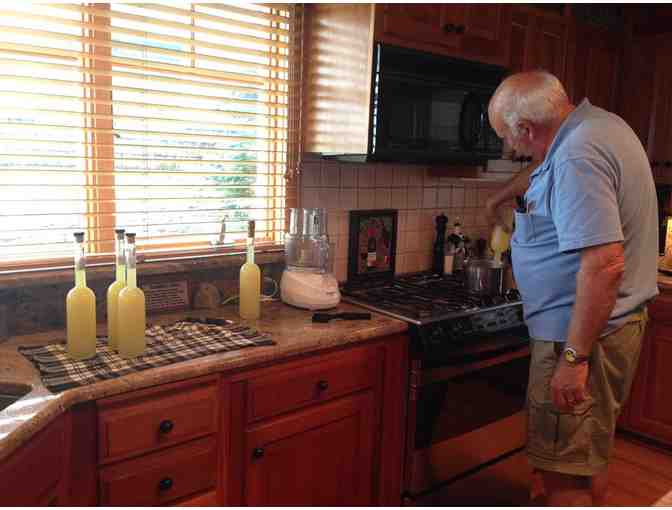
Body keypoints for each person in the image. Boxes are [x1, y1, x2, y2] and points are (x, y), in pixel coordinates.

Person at [486, 71, 659, 506]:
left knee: (565, 473)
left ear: (526, 128)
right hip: (605, 328)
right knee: (585, 458)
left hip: (580, 336)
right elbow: (543, 167)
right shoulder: (596, 126)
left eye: (508, 138)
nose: (510, 150)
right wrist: (498, 198)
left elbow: (604, 265)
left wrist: (573, 359)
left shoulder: (576, 156)